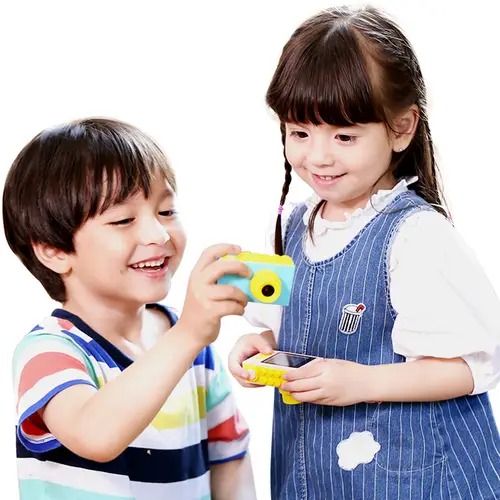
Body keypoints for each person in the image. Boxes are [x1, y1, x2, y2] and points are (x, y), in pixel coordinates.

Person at [228, 6, 500, 499]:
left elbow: (471, 366)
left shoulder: (415, 236)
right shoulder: (294, 226)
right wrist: (261, 345)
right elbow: (296, 325)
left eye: (345, 136)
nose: (318, 156)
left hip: (412, 480)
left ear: (401, 128)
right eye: (299, 132)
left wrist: (361, 383)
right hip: (319, 476)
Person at [3, 117, 256, 499]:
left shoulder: (195, 351)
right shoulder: (48, 352)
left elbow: (231, 463)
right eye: (123, 219)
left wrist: (189, 337)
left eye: (166, 212)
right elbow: (95, 435)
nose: (158, 234)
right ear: (54, 251)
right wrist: (188, 333)